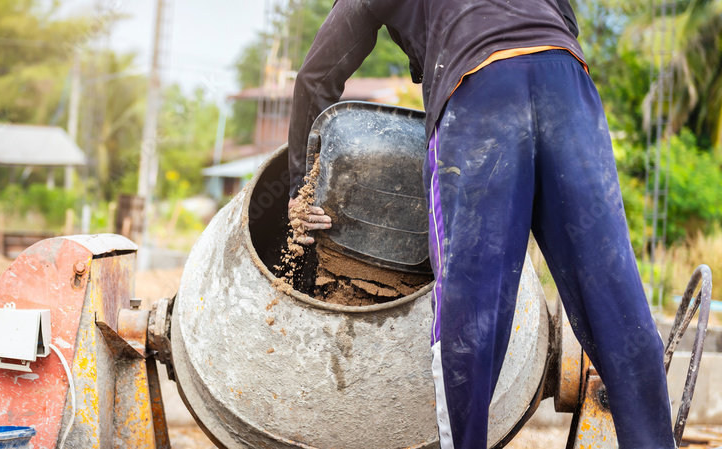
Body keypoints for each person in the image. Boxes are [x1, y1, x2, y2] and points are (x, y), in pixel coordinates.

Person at [286, 0, 676, 448]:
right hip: (567, 81)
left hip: (480, 94)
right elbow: (565, 20)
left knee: (471, 308)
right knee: (615, 294)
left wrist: (301, 190)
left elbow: (316, 76)